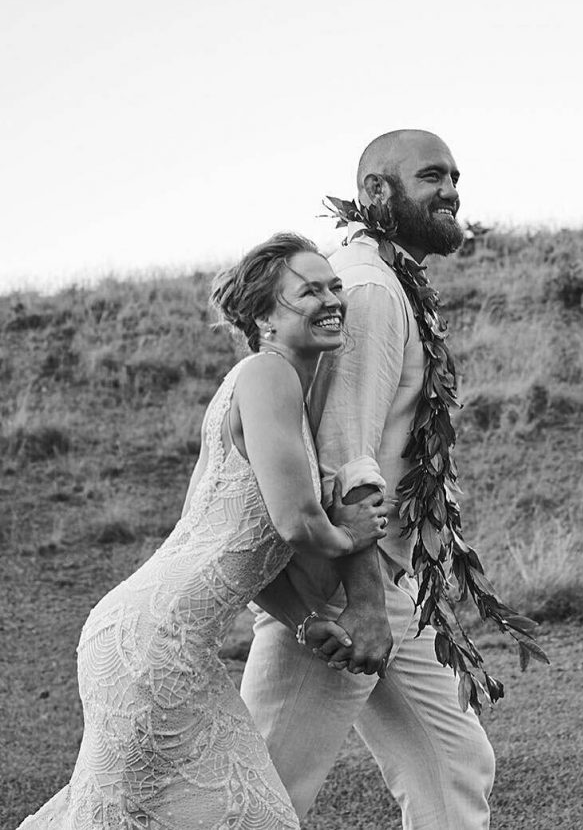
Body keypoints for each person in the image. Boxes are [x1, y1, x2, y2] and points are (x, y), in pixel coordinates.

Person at [17, 233, 391, 830]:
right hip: (155, 646)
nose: (331, 300)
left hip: (149, 635)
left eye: (334, 286)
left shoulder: (267, 389)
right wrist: (350, 536)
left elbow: (233, 549)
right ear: (265, 319)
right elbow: (296, 522)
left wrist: (302, 619)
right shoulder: (269, 375)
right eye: (308, 292)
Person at [241, 130, 496, 829]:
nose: (451, 191)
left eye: (455, 178)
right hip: (343, 582)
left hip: (381, 575)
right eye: (431, 176)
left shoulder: (385, 278)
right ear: (376, 191)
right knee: (262, 794)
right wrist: (360, 605)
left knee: (451, 759)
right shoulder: (371, 290)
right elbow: (344, 452)